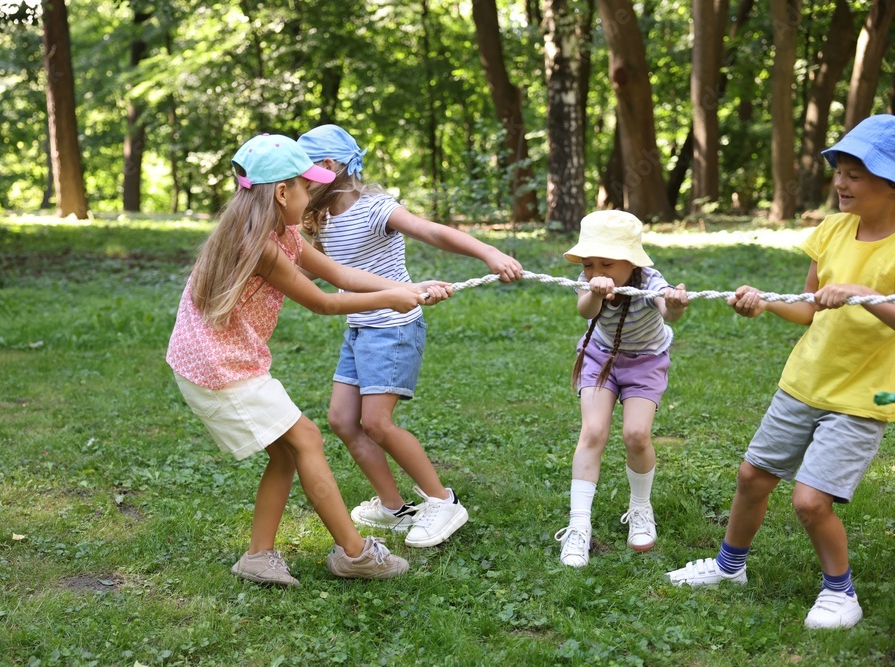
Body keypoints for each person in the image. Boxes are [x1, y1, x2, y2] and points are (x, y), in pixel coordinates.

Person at [166, 133, 453, 587]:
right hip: (220, 369)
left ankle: (259, 556)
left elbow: (338, 273)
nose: (312, 194)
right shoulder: (258, 245)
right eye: (306, 186)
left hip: (223, 363)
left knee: (287, 453)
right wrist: (393, 298)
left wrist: (406, 289)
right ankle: (355, 554)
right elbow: (323, 302)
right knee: (306, 439)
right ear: (283, 193)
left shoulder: (282, 231)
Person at [666, 114, 895, 630]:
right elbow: (809, 306)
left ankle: (841, 592)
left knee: (811, 502)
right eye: (839, 171)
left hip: (860, 396)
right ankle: (729, 568)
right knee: (752, 477)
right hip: (803, 382)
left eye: (856, 175)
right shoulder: (833, 230)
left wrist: (861, 295)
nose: (841, 183)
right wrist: (767, 304)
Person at [295, 124, 524, 548]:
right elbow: (323, 267)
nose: (296, 181)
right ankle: (394, 507)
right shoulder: (324, 217)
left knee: (376, 423)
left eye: (301, 171)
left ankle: (442, 500)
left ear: (329, 166)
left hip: (394, 329)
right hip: (361, 327)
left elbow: (432, 231)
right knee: (343, 421)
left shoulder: (375, 208)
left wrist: (489, 253)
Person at [554, 210, 689, 567]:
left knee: (636, 435)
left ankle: (641, 508)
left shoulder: (650, 279)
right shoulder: (590, 281)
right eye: (588, 263)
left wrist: (674, 303)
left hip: (645, 362)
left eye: (607, 263)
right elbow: (585, 308)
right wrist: (596, 290)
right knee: (593, 431)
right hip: (599, 358)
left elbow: (667, 310)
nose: (596, 270)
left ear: (631, 262)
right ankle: (578, 526)